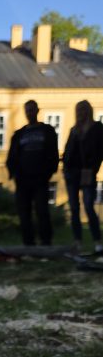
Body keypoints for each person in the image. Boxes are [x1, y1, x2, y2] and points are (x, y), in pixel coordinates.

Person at [6, 100, 60, 247]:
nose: (29, 113)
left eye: (32, 110)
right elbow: (12, 155)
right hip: (23, 179)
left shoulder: (47, 131)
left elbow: (53, 152)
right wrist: (13, 173)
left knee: (42, 210)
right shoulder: (19, 134)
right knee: (24, 212)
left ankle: (46, 242)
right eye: (27, 110)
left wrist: (50, 171)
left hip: (40, 178)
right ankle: (28, 242)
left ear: (37, 110)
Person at [63, 100, 103, 254]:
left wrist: (93, 168)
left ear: (89, 111)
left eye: (83, 109)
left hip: (87, 172)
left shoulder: (97, 128)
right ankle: (78, 242)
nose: (80, 113)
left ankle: (97, 242)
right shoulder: (74, 130)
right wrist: (65, 167)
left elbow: (99, 150)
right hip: (71, 173)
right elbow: (68, 150)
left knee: (88, 206)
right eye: (78, 110)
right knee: (74, 208)